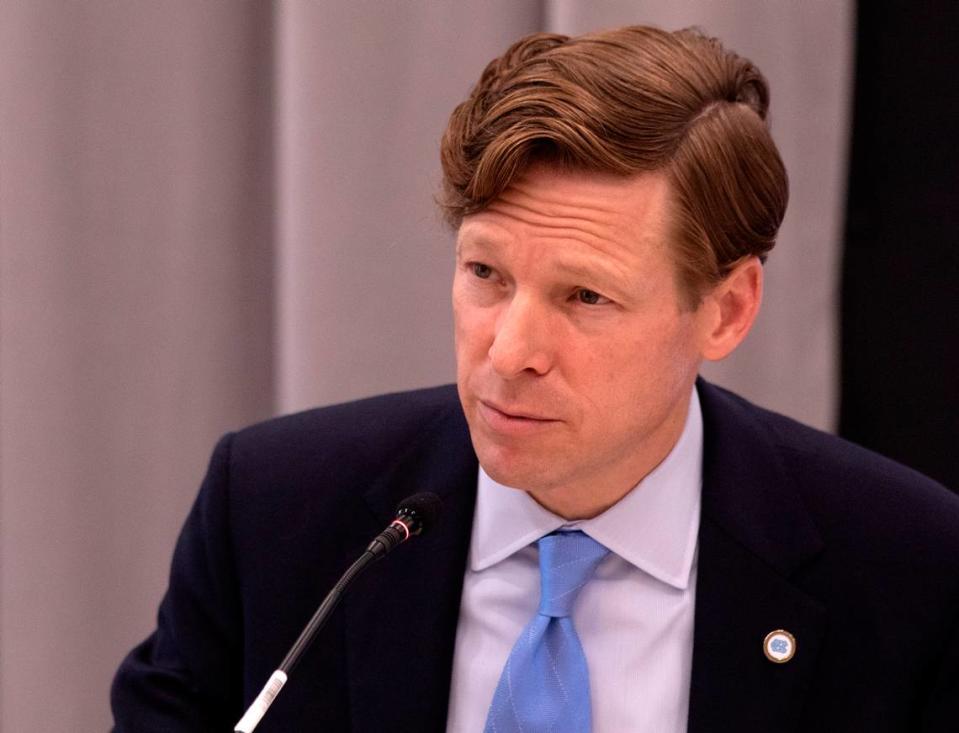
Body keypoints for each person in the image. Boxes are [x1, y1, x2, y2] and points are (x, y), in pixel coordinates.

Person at [111, 25, 959, 733]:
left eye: (584, 295)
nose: (510, 350)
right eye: (486, 274)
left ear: (726, 310)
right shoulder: (273, 512)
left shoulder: (904, 564)